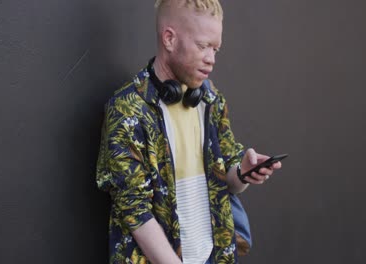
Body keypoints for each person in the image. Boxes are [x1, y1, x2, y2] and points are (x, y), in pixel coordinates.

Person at [96, 0, 282, 263]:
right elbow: (134, 211)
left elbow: (229, 179)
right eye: (203, 46)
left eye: (215, 49)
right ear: (169, 39)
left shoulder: (210, 99)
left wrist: (243, 170)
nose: (211, 58)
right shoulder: (127, 109)